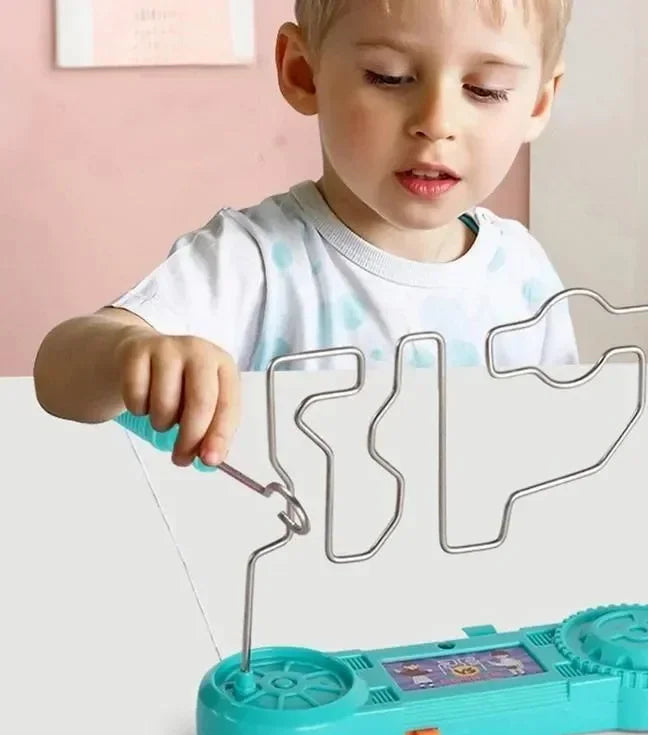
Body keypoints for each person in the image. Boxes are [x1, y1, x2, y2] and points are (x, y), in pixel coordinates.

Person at [33, 0, 578, 472]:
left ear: (538, 103)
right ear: (303, 72)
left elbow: (562, 447)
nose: (437, 122)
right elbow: (57, 374)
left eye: (485, 90)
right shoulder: (254, 262)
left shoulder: (523, 275)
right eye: (388, 77)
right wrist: (130, 353)